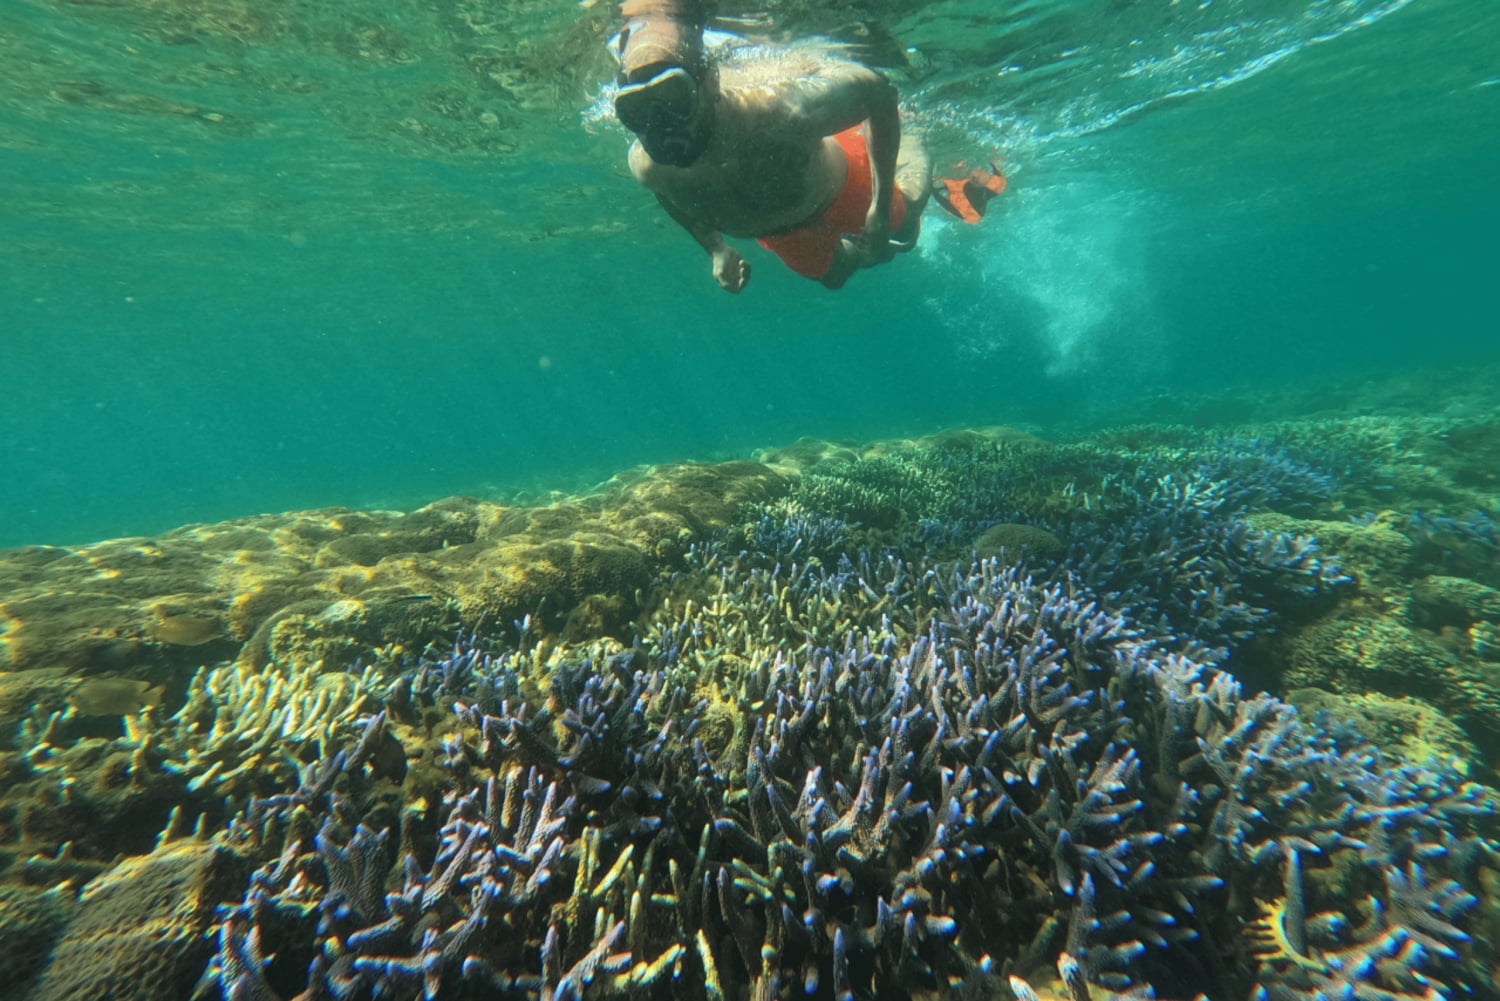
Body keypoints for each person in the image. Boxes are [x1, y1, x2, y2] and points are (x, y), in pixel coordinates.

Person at [612, 0, 1004, 293]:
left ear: (711, 81)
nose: (662, 129)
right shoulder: (646, 164)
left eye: (674, 99)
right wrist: (714, 248)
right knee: (835, 277)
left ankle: (930, 177)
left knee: (905, 225)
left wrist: (880, 208)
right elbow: (667, 192)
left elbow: (878, 94)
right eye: (637, 112)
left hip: (844, 186)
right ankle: (875, 242)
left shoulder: (784, 112)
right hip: (784, 231)